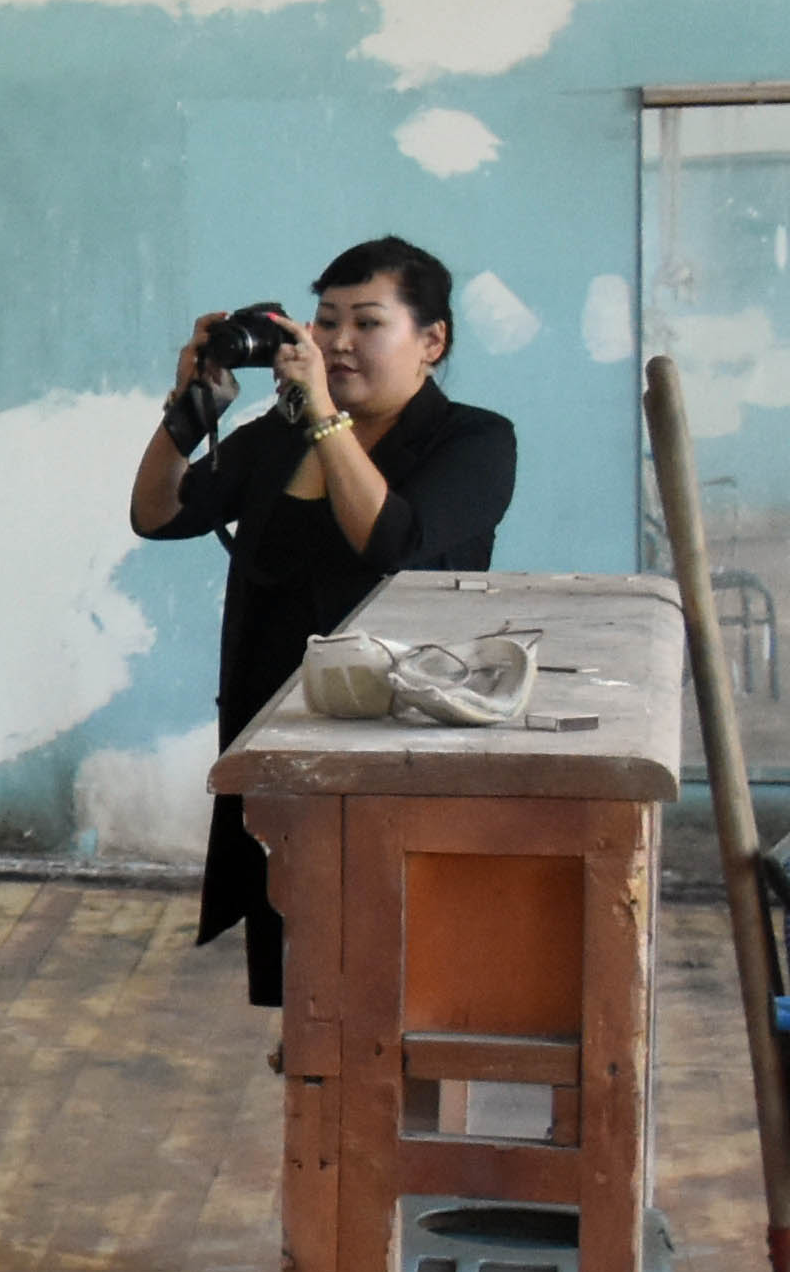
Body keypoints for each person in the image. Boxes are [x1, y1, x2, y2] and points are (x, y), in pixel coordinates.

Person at [128, 236, 516, 1010]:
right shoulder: (279, 437)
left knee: (397, 988)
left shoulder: (474, 441)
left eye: (367, 323)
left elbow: (390, 540)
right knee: (301, 991)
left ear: (432, 341)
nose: (338, 343)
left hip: (399, 759)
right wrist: (191, 412)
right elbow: (157, 514)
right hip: (280, 752)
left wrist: (325, 419)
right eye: (326, 321)